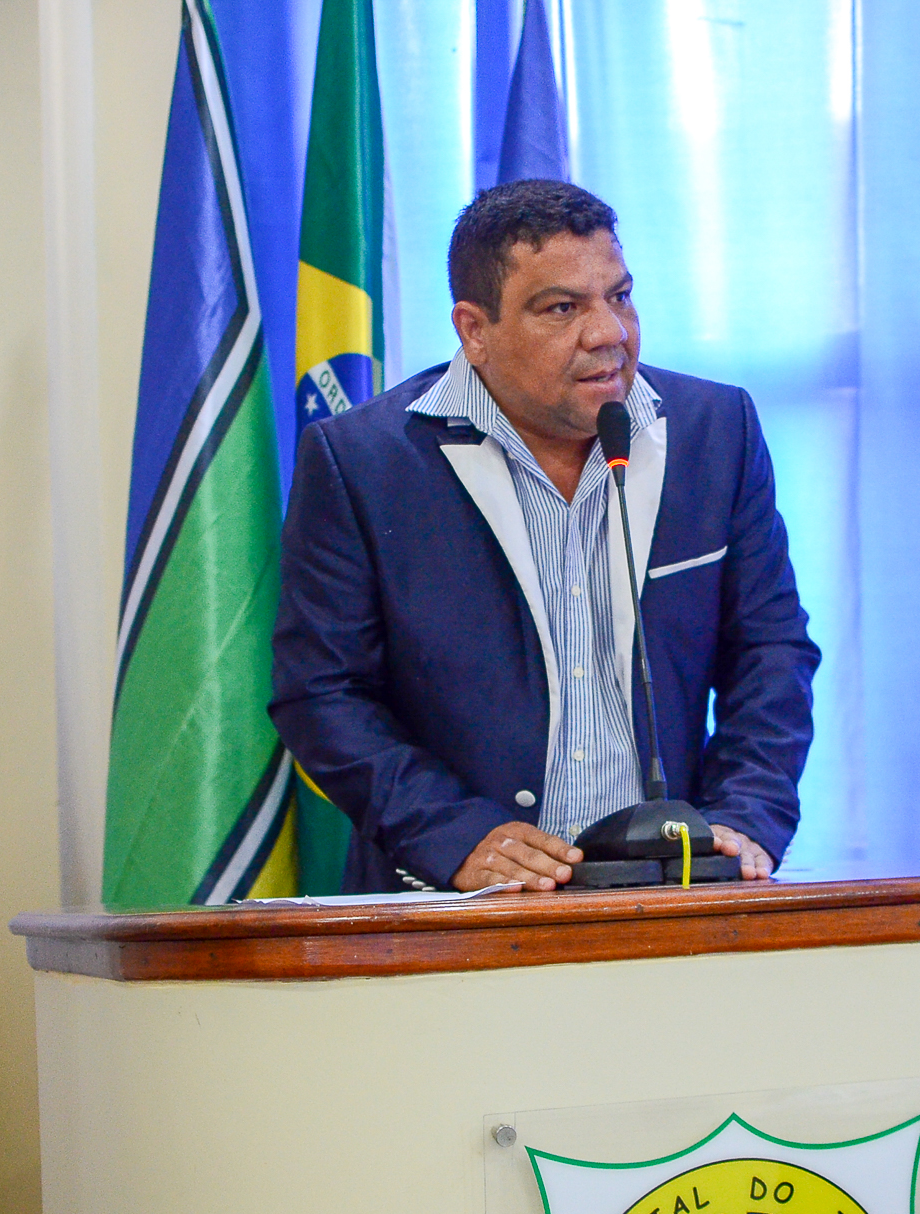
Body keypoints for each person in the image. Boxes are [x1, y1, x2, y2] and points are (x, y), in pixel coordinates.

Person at [271, 179, 818, 895]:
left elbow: (771, 652)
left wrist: (745, 815)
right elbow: (321, 692)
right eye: (563, 308)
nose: (609, 332)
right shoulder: (362, 461)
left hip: (674, 893)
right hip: (456, 905)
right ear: (475, 330)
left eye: (620, 296)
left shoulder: (717, 430)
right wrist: (454, 834)